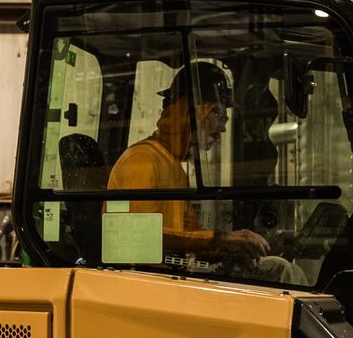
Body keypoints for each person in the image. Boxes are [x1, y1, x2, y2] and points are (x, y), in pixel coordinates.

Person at [107, 62, 271, 262]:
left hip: (172, 276)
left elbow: (191, 235)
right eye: (217, 114)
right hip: (149, 282)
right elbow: (134, 237)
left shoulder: (174, 168)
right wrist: (220, 239)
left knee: (275, 266)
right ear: (191, 113)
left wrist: (230, 251)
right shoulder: (141, 162)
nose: (222, 128)